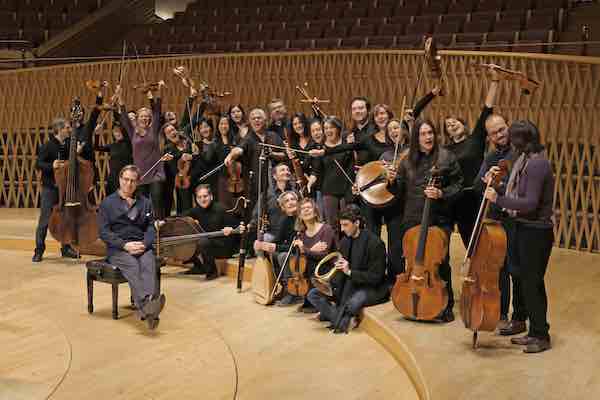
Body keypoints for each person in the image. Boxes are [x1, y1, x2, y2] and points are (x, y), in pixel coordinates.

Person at [483, 120, 554, 353]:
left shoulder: (537, 165)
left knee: (533, 284)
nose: (511, 143)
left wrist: (498, 199)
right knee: (526, 282)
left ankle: (541, 336)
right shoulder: (526, 160)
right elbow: (518, 194)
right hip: (525, 228)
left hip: (536, 232)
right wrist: (499, 187)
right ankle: (533, 331)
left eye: (514, 139)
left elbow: (530, 203)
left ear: (523, 140)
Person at [387, 119, 463, 322]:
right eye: (423, 134)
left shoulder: (447, 157)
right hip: (412, 217)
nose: (428, 137)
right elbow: (398, 192)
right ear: (416, 138)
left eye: (430, 132)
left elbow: (458, 186)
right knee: (414, 262)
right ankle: (416, 300)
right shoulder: (407, 161)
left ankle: (446, 305)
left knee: (440, 262)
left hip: (439, 218)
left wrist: (441, 193)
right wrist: (392, 181)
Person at [97, 165, 165, 330]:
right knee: (133, 265)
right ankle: (148, 307)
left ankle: (147, 310)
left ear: (137, 183)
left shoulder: (145, 203)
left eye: (133, 181)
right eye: (126, 180)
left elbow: (150, 227)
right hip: (119, 249)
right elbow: (104, 232)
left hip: (141, 245)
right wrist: (124, 245)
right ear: (120, 180)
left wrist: (145, 244)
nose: (129, 184)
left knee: (149, 263)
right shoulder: (108, 203)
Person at [307, 205, 389, 333]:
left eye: (345, 225)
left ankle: (332, 315)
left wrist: (349, 272)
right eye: (341, 225)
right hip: (348, 285)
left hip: (370, 287)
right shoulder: (345, 241)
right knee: (313, 295)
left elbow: (376, 277)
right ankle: (340, 317)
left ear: (357, 223)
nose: (342, 229)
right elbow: (341, 273)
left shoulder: (375, 243)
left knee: (353, 303)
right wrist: (333, 280)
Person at [115, 83, 172, 219]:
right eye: (142, 116)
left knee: (157, 199)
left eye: (147, 116)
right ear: (138, 117)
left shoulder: (154, 129)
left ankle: (160, 225)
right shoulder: (132, 131)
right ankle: (146, 228)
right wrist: (120, 95)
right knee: (143, 204)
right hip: (140, 174)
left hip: (156, 172)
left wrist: (158, 92)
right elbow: (123, 114)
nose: (145, 118)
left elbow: (157, 110)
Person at [32, 118, 82, 262]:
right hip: (50, 188)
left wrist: (75, 154)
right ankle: (39, 250)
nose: (69, 130)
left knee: (65, 219)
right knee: (44, 221)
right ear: (59, 130)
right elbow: (38, 164)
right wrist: (51, 165)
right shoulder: (47, 146)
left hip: (65, 188)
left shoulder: (67, 146)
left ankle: (66, 249)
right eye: (67, 128)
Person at [224, 107, 286, 211]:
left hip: (276, 182)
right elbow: (239, 149)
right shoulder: (248, 138)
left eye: (259, 118)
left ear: (265, 120)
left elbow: (284, 155)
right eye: (253, 118)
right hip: (256, 184)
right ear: (250, 122)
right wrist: (230, 156)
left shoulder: (273, 136)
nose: (256, 120)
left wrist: (272, 154)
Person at [183, 184, 241, 280]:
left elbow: (237, 226)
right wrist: (163, 221)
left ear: (211, 196)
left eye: (205, 196)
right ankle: (199, 267)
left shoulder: (221, 209)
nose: (202, 199)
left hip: (224, 246)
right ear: (196, 199)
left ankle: (212, 272)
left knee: (202, 241)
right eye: (199, 197)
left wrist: (230, 229)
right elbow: (180, 216)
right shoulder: (197, 210)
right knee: (189, 237)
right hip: (208, 244)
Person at [253, 191, 301, 306]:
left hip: (302, 252)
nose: (290, 202)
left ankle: (292, 292)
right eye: (286, 201)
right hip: (291, 251)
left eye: (292, 199)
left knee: (282, 256)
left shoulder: (301, 219)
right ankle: (282, 286)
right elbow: (278, 240)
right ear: (283, 207)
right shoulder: (285, 220)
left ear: (298, 202)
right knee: (270, 253)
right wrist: (263, 245)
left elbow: (295, 247)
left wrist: (274, 247)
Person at [293, 198, 337, 313]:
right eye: (302, 209)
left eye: (309, 207)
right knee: (302, 263)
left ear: (316, 211)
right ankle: (307, 297)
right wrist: (311, 250)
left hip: (326, 269)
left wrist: (305, 250)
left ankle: (321, 298)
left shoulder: (326, 229)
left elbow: (324, 256)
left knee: (310, 261)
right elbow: (305, 255)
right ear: (300, 215)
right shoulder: (301, 234)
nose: (306, 210)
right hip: (312, 269)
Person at [94, 122, 133, 195]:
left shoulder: (129, 143)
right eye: (115, 131)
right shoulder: (112, 146)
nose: (117, 134)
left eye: (119, 131)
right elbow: (97, 148)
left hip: (126, 177)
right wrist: (97, 134)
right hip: (113, 177)